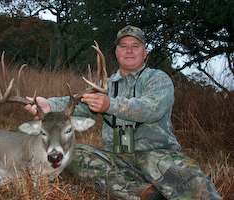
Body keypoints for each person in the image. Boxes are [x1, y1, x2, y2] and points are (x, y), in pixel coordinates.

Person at [25, 25, 223, 200]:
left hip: (157, 154)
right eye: (123, 46)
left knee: (195, 186)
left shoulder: (158, 79)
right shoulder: (105, 85)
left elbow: (151, 108)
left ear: (145, 53)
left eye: (135, 46)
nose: (129, 50)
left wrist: (110, 104)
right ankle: (144, 193)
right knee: (73, 155)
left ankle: (155, 183)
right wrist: (48, 105)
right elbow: (78, 103)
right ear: (117, 52)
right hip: (118, 154)